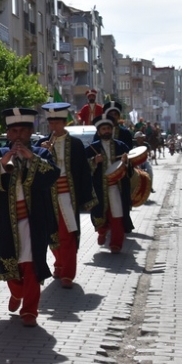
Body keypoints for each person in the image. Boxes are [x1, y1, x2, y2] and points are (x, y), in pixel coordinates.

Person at [0, 107, 59, 327]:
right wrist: (4, 163)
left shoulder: (41, 153)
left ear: (31, 132)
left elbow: (52, 175)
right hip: (5, 222)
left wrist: (30, 157)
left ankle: (30, 310)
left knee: (32, 265)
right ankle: (17, 292)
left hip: (34, 221)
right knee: (9, 263)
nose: (18, 136)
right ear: (7, 134)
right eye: (14, 132)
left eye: (23, 131)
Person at [38, 103, 96, 289]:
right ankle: (59, 264)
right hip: (49, 197)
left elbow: (83, 172)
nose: (53, 127)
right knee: (51, 235)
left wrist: (86, 196)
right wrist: (43, 154)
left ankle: (68, 274)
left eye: (57, 123)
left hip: (68, 197)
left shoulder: (76, 144)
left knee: (68, 234)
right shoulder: (41, 145)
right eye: (51, 123)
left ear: (64, 123)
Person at [87, 117, 133, 253]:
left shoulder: (121, 146)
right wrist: (94, 161)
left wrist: (126, 161)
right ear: (99, 131)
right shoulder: (91, 148)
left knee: (117, 214)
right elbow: (83, 168)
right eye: (103, 129)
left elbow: (131, 168)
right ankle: (102, 232)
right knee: (100, 213)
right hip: (99, 188)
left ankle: (116, 244)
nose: (106, 131)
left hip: (116, 187)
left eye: (108, 128)